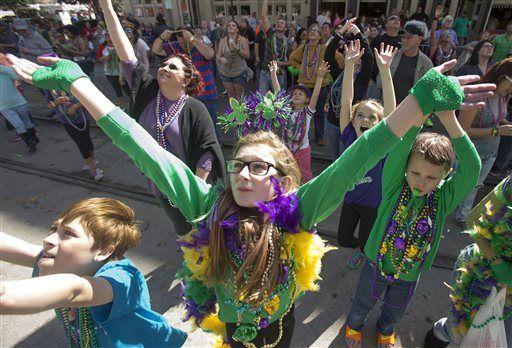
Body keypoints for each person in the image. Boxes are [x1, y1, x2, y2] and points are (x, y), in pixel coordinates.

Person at [8, 45, 494, 347]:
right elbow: (138, 144)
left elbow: (364, 153)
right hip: (229, 329)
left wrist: (420, 101)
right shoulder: (206, 205)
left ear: (282, 179)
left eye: (257, 166)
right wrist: (78, 81)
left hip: (279, 325)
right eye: (238, 164)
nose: (241, 173)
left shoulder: (301, 208)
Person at [344, 76, 485, 348]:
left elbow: (472, 168)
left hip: (409, 274)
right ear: (406, 168)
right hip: (375, 264)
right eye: (416, 172)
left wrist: (448, 118)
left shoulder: (443, 198)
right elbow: (399, 148)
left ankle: (386, 330)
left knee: (395, 309)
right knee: (363, 301)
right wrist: (420, 113)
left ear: (445, 176)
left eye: (432, 177)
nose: (421, 181)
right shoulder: (395, 185)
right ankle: (354, 325)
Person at [100, 0, 226, 235]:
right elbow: (126, 54)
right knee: (182, 232)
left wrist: (191, 194)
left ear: (186, 80)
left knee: (204, 233)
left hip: (189, 189)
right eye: (164, 64)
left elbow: (207, 153)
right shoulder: (147, 91)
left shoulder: (194, 108)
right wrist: (107, 8)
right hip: (158, 185)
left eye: (174, 68)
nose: (165, 68)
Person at [0, 198, 188, 347]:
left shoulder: (123, 278)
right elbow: (19, 249)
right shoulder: (60, 263)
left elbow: (75, 289)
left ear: (104, 251)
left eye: (68, 234)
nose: (47, 240)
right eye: (53, 229)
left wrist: (5, 295)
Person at [424, 174, 512, 347]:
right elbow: (473, 220)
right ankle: (435, 338)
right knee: (455, 328)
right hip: (479, 276)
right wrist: (497, 261)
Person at [338, 41, 397, 270]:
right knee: (342, 239)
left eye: (372, 118)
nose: (365, 119)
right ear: (352, 121)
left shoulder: (383, 145)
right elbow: (346, 102)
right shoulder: (349, 138)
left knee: (366, 242)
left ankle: (364, 250)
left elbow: (392, 112)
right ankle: (359, 247)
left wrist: (385, 70)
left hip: (373, 204)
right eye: (360, 115)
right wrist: (350, 66)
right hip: (351, 200)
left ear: (381, 124)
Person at [454, 58, 512, 224]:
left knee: (476, 186)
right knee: (458, 185)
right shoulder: (478, 97)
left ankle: (463, 217)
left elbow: (497, 118)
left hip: (490, 152)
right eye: (511, 84)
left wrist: (505, 124)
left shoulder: (502, 96)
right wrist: (496, 131)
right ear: (502, 78)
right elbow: (463, 129)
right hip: (469, 152)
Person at [269, 59, 330, 182]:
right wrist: (273, 74)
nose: (296, 95)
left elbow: (316, 96)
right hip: (286, 150)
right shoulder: (286, 110)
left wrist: (319, 78)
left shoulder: (307, 112)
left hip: (302, 150)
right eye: (294, 94)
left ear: (307, 100)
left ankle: (306, 195)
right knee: (286, 174)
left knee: (305, 175)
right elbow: (278, 92)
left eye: (300, 94)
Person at [152, 27, 219, 136]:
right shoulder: (175, 46)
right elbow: (156, 50)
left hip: (207, 94)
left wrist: (192, 39)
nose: (183, 41)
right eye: (180, 38)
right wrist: (161, 37)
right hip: (186, 96)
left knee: (211, 125)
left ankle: (216, 147)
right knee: (192, 127)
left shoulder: (198, 45)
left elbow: (210, 54)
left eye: (185, 38)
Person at [324, 19, 372, 160]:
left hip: (350, 126)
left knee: (345, 160)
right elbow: (328, 54)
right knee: (335, 159)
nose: (350, 55)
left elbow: (369, 57)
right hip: (332, 123)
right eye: (347, 53)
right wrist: (341, 31)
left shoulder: (362, 78)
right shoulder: (339, 73)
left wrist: (358, 34)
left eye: (355, 54)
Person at [290, 23, 343, 146]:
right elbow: (292, 58)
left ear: (320, 36)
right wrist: (300, 67)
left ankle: (319, 137)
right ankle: (301, 136)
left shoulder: (324, 48)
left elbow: (339, 59)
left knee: (319, 114)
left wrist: (334, 70)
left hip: (320, 86)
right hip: (303, 87)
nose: (313, 32)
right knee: (302, 113)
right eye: (311, 31)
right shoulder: (303, 47)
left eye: (316, 31)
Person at [48, 89, 104, 181]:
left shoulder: (71, 82)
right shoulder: (49, 87)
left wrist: (75, 107)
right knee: (81, 143)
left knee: (88, 142)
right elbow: (49, 105)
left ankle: (91, 160)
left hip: (82, 118)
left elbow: (87, 98)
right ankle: (93, 169)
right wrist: (55, 102)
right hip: (67, 121)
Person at [374, 20, 433, 104]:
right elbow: (379, 82)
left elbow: (428, 91)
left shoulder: (426, 63)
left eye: (409, 37)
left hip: (410, 110)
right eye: (403, 37)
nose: (405, 40)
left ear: (419, 39)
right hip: (388, 105)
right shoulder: (392, 56)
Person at [0, 53, 38, 152]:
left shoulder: (4, 70)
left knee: (27, 122)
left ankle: (34, 138)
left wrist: (2, 67)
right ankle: (29, 143)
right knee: (18, 124)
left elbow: (17, 76)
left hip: (19, 101)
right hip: (4, 106)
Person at [257, 0, 291, 94]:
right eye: (278, 22)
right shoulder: (271, 34)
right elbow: (264, 15)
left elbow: (292, 61)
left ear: (285, 28)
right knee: (263, 99)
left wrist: (281, 63)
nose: (279, 23)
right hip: (265, 72)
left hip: (279, 74)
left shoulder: (288, 43)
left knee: (278, 100)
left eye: (282, 23)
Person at [216, 20, 250, 100]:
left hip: (239, 71)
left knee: (239, 95)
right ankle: (233, 112)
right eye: (229, 25)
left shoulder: (242, 40)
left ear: (237, 29)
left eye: (233, 25)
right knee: (231, 95)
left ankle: (241, 112)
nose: (231, 27)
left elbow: (248, 56)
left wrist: (237, 49)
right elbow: (217, 55)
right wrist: (221, 58)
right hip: (226, 72)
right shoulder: (223, 40)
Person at [99, 33, 124, 105]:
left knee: (126, 88)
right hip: (108, 72)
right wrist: (104, 58)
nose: (108, 37)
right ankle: (121, 102)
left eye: (109, 35)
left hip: (120, 71)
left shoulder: (119, 46)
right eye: (106, 36)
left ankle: (125, 102)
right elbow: (99, 59)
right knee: (116, 87)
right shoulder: (102, 47)